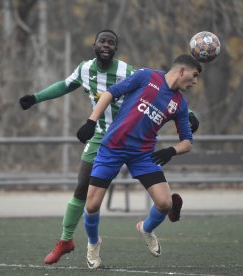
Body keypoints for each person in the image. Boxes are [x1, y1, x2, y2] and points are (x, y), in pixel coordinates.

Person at [19, 30, 200, 265]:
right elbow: (66, 86)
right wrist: (37, 98)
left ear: (117, 48)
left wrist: (183, 128)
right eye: (102, 41)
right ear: (94, 45)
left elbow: (168, 100)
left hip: (139, 149)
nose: (106, 45)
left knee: (163, 202)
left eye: (111, 42)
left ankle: (148, 226)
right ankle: (74, 241)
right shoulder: (86, 69)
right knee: (85, 192)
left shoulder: (133, 72)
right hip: (105, 139)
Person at [76, 53, 202, 269]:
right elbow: (109, 93)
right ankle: (93, 242)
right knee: (92, 204)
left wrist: (171, 151)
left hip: (143, 154)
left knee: (165, 203)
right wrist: (91, 121)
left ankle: (146, 228)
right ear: (181, 70)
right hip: (113, 148)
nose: (195, 81)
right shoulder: (146, 76)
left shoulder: (180, 104)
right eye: (195, 75)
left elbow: (187, 142)